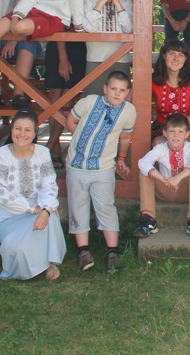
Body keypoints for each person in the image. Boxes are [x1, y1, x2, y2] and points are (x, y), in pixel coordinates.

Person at [65, 71, 136, 272]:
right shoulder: (89, 102)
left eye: (122, 90)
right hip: (77, 165)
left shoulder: (129, 111)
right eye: (113, 89)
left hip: (103, 168)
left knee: (106, 206)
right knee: (78, 207)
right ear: (105, 89)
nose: (117, 93)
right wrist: (82, 140)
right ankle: (83, 251)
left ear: (127, 93)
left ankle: (113, 251)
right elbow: (71, 121)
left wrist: (121, 158)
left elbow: (125, 137)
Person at [0, 109, 66, 281]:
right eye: (18, 128)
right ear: (11, 130)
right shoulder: (0, 155)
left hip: (39, 213)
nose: (22, 134)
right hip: (9, 217)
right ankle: (35, 264)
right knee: (16, 246)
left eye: (28, 130)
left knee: (51, 215)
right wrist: (34, 210)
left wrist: (46, 210)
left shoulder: (42, 153)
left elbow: (49, 185)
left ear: (35, 132)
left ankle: (47, 264)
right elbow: (1, 194)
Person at [45, 0, 102, 162]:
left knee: (71, 99)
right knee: (55, 97)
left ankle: (52, 146)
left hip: (85, 49)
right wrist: (62, 56)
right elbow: (58, 17)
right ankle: (53, 147)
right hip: (60, 43)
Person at [133, 113, 190, 240]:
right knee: (145, 172)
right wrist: (163, 179)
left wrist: (178, 178)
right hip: (165, 188)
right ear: (165, 133)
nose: (176, 135)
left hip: (185, 191)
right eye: (172, 131)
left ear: (187, 134)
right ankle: (149, 219)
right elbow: (143, 162)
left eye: (180, 132)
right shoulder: (160, 148)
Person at [81, 0, 134, 94]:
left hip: (121, 59)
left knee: (119, 99)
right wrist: (101, 2)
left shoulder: (126, 2)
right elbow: (88, 28)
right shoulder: (89, 1)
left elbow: (128, 29)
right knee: (93, 98)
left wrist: (117, 3)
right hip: (95, 58)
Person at [151, 39, 190, 146]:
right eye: (171, 54)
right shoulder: (153, 79)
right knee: (159, 143)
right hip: (161, 127)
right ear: (164, 56)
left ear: (185, 59)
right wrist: (169, 131)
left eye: (180, 55)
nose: (176, 58)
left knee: (183, 143)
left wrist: (176, 130)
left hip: (185, 127)